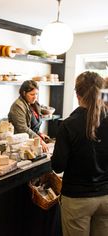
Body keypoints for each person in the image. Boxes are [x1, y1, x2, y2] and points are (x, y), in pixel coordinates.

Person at [51, 71, 108, 236]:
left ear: (77, 94)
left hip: (78, 200)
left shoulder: (68, 125)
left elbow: (58, 166)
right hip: (105, 196)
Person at [8, 80, 48, 151]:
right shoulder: (18, 106)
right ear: (24, 93)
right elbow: (22, 128)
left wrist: (39, 133)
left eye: (36, 94)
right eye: (32, 94)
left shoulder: (34, 104)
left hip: (31, 142)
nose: (35, 97)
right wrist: (39, 140)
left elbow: (33, 125)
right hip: (20, 145)